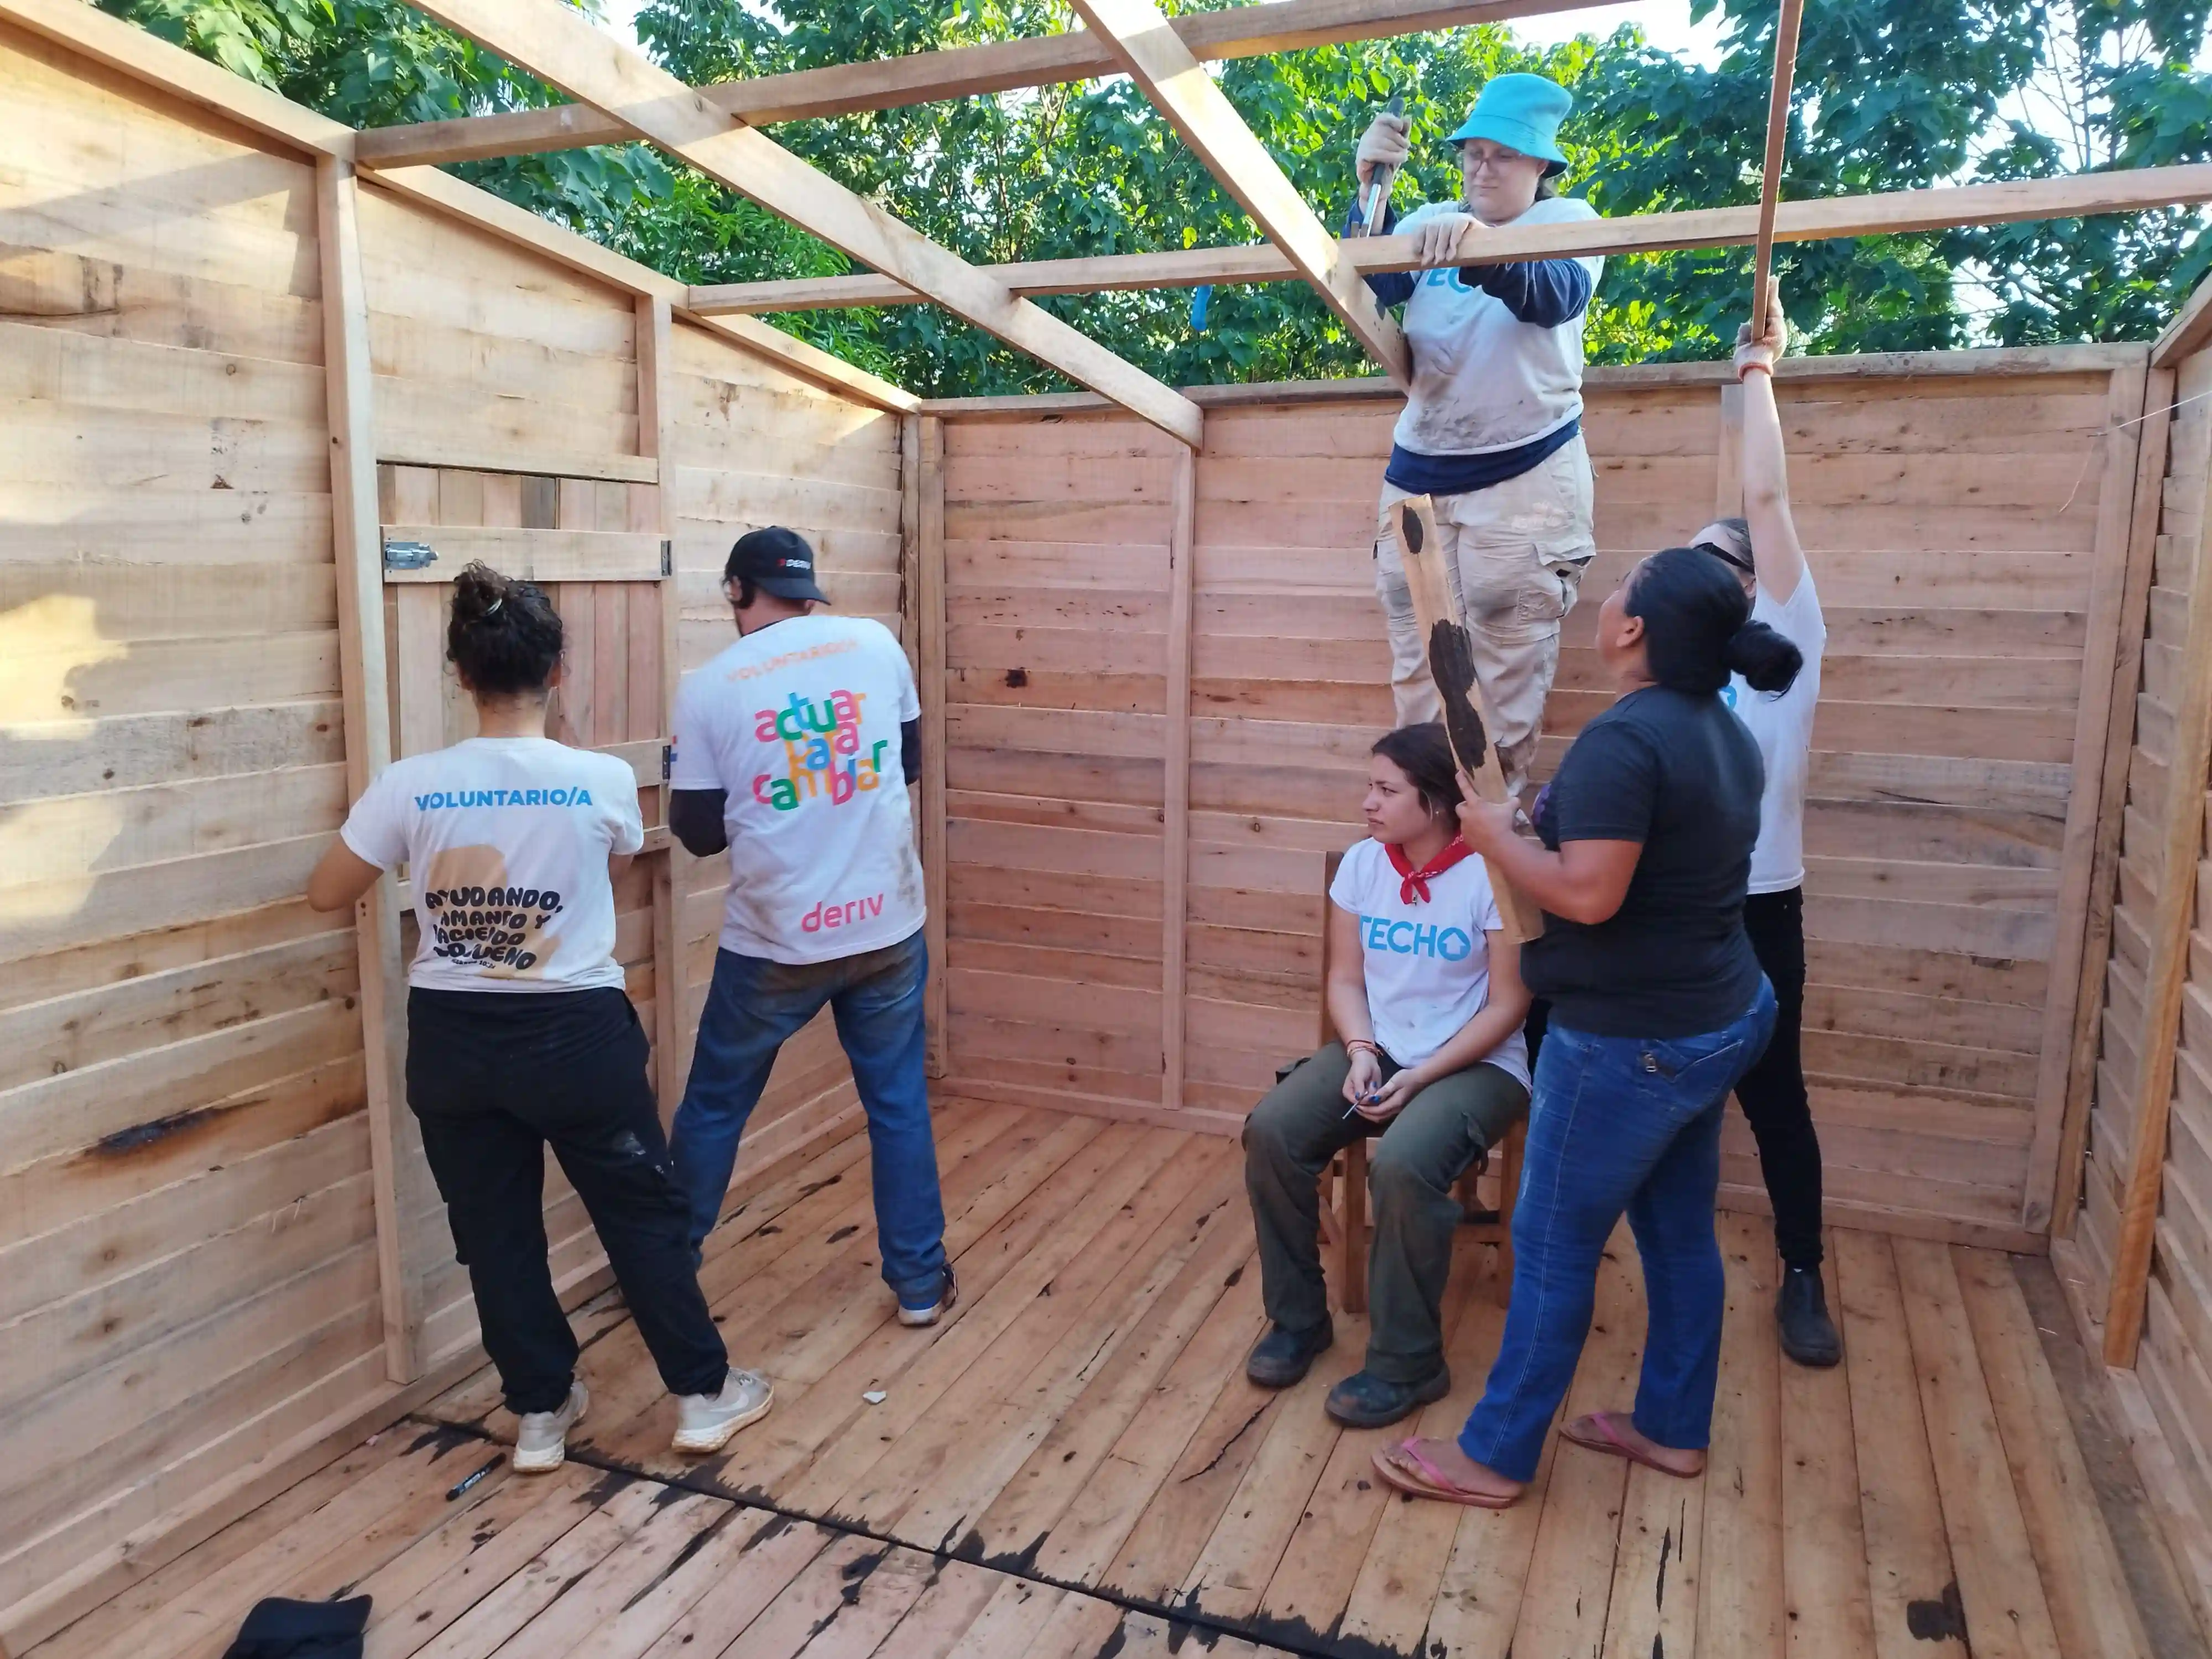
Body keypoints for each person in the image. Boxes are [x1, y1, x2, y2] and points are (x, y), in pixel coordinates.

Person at [305, 564, 770, 1473]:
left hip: (452, 1043)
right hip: (574, 1040)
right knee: (641, 1217)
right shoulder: (595, 778)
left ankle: (542, 1417)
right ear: (557, 673)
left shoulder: (412, 784)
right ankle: (704, 1398)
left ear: (461, 676)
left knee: (497, 1236)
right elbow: (626, 862)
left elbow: (330, 891)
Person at [1369, 546, 1802, 1508]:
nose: (1605, 601)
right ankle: (1673, 1431)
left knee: (1556, 1244)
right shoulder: (1722, 732)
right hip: (1722, 1015)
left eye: (1620, 591)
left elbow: (1594, 898)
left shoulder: (1627, 740)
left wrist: (1490, 838)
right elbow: (1642, 870)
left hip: (1632, 1044)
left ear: (1635, 629)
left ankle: (1495, 1456)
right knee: (1678, 1230)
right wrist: (1526, 834)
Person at [666, 526, 953, 1327]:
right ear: (808, 588)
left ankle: (664, 1270)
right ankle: (921, 1287)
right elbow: (907, 765)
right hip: (886, 926)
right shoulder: (873, 644)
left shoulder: (711, 685)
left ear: (735, 591)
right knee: (897, 1103)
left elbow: (698, 832)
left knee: (716, 1108)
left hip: (776, 941)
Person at [1241, 723, 1531, 1428]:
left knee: (1401, 1166)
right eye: (1369, 785)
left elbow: (1509, 1004)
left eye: (1384, 789)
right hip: (1379, 1048)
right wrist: (1364, 1049)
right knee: (1272, 1132)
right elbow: (1345, 979)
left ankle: (1409, 1363)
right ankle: (1299, 1320)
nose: (1367, 803)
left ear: (1434, 803)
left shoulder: (1492, 873)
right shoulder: (1365, 866)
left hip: (1478, 1062)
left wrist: (1423, 1073)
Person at [1349, 71, 1604, 798]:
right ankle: (1423, 843)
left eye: (1504, 155)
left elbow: (1553, 296)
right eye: (1474, 153)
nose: (1483, 167)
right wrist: (1369, 189)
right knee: (1419, 676)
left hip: (1525, 477)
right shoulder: (1429, 220)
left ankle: (1493, 853)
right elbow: (1363, 283)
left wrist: (1481, 248)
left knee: (1504, 679)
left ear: (1542, 167)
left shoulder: (1573, 222)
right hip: (1420, 474)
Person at [1690, 301, 1839, 1368]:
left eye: (1710, 562)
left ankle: (1803, 1275)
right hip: (1680, 914)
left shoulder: (1788, 642)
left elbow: (1768, 495)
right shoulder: (1679, 681)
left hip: (1763, 912)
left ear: (1751, 585)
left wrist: (1758, 370)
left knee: (1774, 1099)